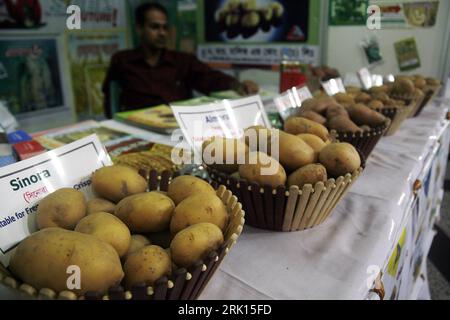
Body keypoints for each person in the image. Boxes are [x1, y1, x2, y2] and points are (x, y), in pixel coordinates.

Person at [102, 2, 259, 118]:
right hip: (138, 127)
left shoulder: (182, 61)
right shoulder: (122, 60)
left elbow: (209, 78)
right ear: (139, 28)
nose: (162, 33)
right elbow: (110, 97)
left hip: (176, 127)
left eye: (165, 28)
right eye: (155, 27)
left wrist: (237, 84)